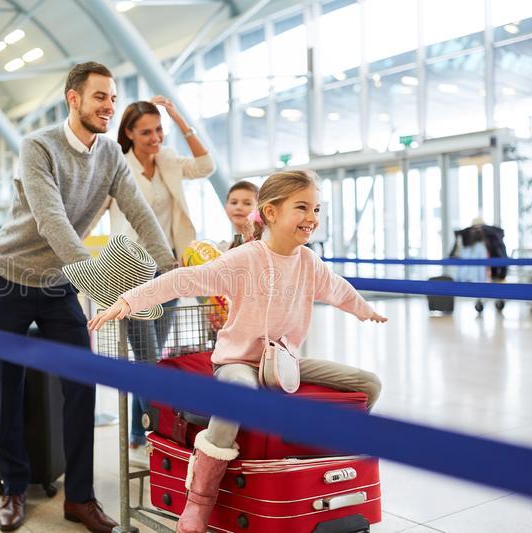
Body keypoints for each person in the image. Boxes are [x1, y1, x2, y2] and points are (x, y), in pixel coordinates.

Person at [88, 170, 387, 533]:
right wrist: (128, 300)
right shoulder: (246, 259)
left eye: (317, 209)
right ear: (272, 213)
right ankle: (198, 503)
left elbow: (337, 289)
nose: (313, 217)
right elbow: (184, 280)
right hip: (238, 363)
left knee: (367, 384)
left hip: (284, 363)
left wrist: (365, 310)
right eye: (302, 207)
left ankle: (330, 463)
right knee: (239, 397)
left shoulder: (309, 262)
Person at [0, 61, 176, 533]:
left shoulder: (110, 155)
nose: (108, 105)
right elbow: (54, 224)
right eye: (99, 97)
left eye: (112, 97)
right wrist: (105, 287)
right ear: (74, 99)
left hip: (58, 287)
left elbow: (141, 211)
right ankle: (13, 486)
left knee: (81, 384)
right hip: (10, 277)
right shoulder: (39, 148)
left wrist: (169, 269)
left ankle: (81, 498)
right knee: (6, 384)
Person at [109, 97, 215, 464]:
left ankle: (140, 435)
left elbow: (206, 165)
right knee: (148, 358)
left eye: (158, 130)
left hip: (168, 270)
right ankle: (153, 432)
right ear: (128, 134)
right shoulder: (116, 166)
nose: (155, 137)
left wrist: (179, 119)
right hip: (131, 274)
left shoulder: (168, 160)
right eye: (146, 132)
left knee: (152, 357)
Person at [220, 180, 259, 251]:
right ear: (226, 207)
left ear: (259, 208)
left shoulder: (263, 244)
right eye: (234, 203)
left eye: (247, 203)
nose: (238, 207)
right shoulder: (222, 249)